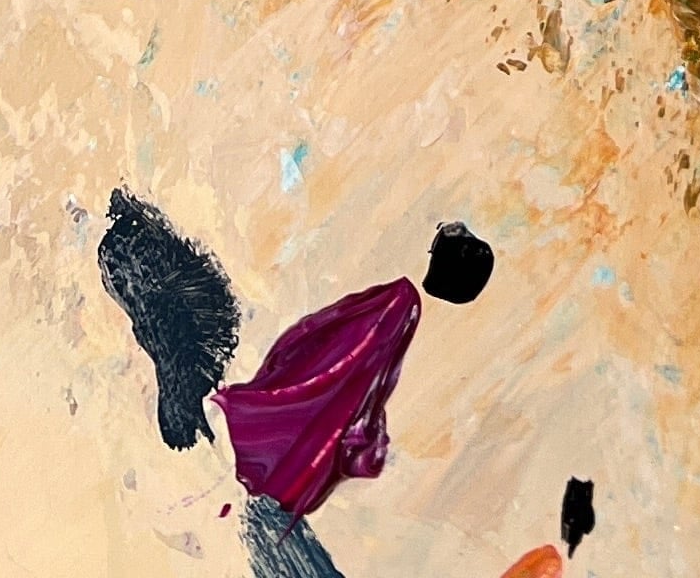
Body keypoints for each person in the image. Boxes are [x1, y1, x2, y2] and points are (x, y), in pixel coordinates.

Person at [212, 221, 496, 517]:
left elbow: (337, 351)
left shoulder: (399, 301)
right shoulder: (407, 307)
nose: (441, 233)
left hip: (304, 402)